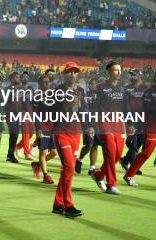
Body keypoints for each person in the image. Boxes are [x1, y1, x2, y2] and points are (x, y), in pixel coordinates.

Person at [52, 61, 85, 218]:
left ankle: (58, 204)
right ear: (64, 74)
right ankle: (68, 205)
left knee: (67, 170)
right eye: (69, 72)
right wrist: (70, 103)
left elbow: (84, 110)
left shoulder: (80, 90)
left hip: (76, 132)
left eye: (75, 71)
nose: (72, 74)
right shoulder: (58, 91)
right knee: (70, 168)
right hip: (61, 132)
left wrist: (89, 126)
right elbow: (55, 111)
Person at [91, 61, 126, 195]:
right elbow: (94, 107)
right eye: (116, 70)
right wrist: (93, 125)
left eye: (120, 70)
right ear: (109, 72)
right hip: (104, 123)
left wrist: (128, 126)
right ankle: (111, 185)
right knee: (111, 153)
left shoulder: (122, 89)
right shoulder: (100, 88)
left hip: (119, 124)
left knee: (117, 155)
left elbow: (124, 109)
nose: (118, 72)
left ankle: (99, 175)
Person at [31, 74, 58, 184]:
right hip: (43, 126)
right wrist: (38, 129)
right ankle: (46, 176)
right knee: (43, 152)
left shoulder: (53, 96)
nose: (47, 83)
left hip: (53, 127)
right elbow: (35, 114)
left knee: (54, 153)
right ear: (40, 84)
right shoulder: (37, 97)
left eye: (48, 82)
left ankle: (37, 164)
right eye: (45, 82)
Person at [120, 69, 146, 173]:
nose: (132, 76)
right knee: (133, 142)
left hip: (143, 119)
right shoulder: (127, 88)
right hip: (131, 119)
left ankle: (125, 160)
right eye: (131, 75)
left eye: (134, 74)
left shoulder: (145, 88)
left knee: (140, 141)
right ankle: (134, 165)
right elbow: (124, 105)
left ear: (140, 75)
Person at [75, 77, 100, 175]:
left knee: (95, 146)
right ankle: (80, 159)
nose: (93, 85)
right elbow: (83, 109)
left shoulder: (101, 96)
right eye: (91, 83)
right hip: (88, 123)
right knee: (89, 145)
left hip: (98, 124)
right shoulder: (85, 96)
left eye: (94, 83)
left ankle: (92, 167)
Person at [15, 70, 35, 160]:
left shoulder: (31, 88)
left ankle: (18, 146)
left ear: (28, 78)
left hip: (31, 112)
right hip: (23, 112)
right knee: (26, 133)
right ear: (20, 78)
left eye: (26, 77)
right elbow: (16, 102)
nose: (25, 78)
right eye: (23, 77)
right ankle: (27, 153)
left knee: (30, 134)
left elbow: (34, 100)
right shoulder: (18, 89)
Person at [5, 72, 21, 163]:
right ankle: (10, 154)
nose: (18, 79)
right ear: (11, 79)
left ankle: (10, 154)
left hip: (18, 115)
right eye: (16, 77)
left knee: (15, 135)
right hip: (10, 114)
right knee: (13, 134)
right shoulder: (7, 90)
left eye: (19, 77)